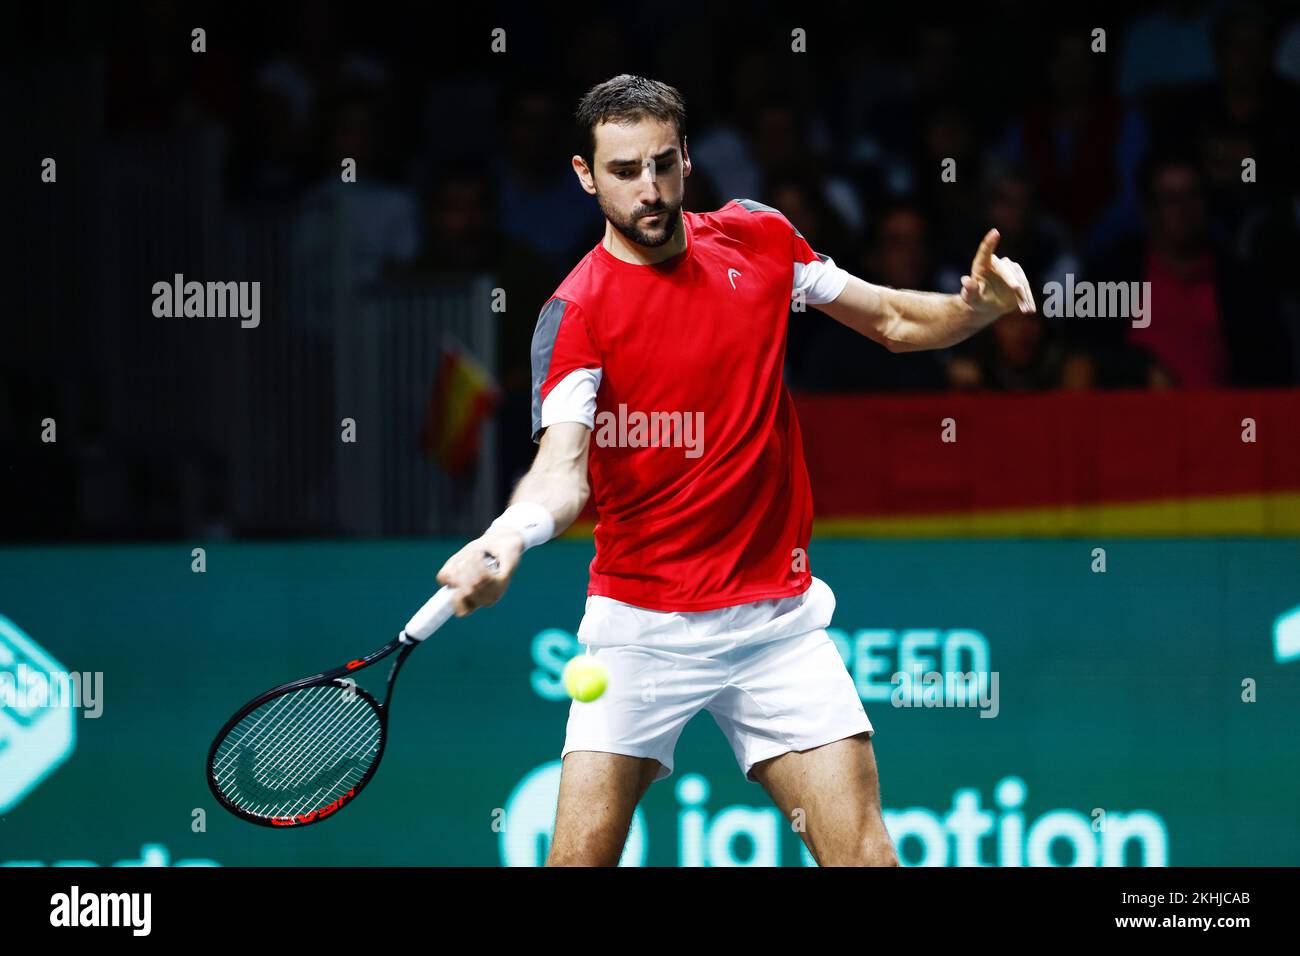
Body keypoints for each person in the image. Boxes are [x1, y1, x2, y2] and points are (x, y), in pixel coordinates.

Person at [435, 75, 1035, 867]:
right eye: (623, 172)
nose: (649, 191)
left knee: (867, 856)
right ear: (585, 175)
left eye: (662, 165)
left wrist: (975, 311)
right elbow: (562, 474)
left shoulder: (758, 239)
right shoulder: (575, 313)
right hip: (641, 625)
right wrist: (506, 539)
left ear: (687, 157)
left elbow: (888, 318)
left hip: (775, 625)